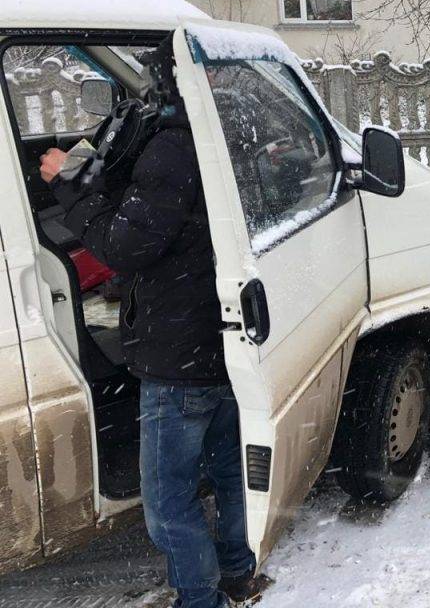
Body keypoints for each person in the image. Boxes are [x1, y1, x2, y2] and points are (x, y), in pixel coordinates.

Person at [39, 38, 262, 608]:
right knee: (231, 470)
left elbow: (124, 246)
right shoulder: (234, 134)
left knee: (167, 502)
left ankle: (201, 599)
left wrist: (67, 185)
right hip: (230, 338)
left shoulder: (174, 147)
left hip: (177, 355)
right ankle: (237, 572)